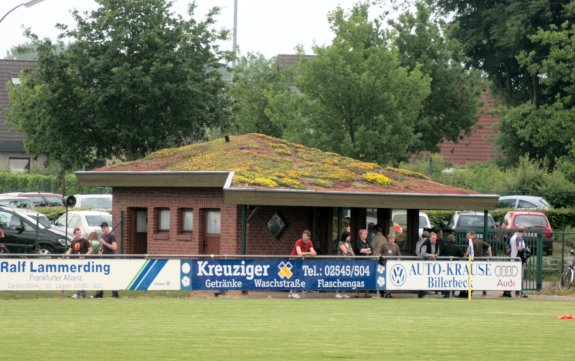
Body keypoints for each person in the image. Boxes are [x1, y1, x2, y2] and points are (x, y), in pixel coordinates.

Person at [93, 222, 119, 299]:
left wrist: (105, 243)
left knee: (112, 277)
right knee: (101, 276)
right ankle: (99, 294)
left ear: (108, 228)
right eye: (102, 228)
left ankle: (115, 294)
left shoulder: (112, 235)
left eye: (104, 228)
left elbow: (114, 247)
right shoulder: (103, 236)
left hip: (111, 259)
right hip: (104, 259)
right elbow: (102, 247)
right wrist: (100, 251)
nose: (103, 229)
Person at [288, 230, 316, 299]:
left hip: (300, 261)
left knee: (298, 276)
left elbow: (313, 252)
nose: (303, 237)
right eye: (303, 236)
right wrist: (309, 253)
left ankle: (293, 292)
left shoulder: (310, 242)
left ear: (308, 237)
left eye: (305, 236)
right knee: (294, 276)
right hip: (293, 260)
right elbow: (299, 253)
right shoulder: (298, 242)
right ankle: (293, 293)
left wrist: (312, 252)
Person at [66, 228, 93, 299]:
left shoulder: (85, 241)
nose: (79, 234)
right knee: (77, 278)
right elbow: (69, 250)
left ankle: (82, 294)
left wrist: (84, 256)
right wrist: (67, 256)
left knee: (83, 278)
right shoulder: (73, 241)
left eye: (79, 233)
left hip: (84, 263)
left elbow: (90, 250)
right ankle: (77, 293)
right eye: (77, 233)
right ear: (74, 234)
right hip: (76, 263)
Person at [503, 227, 527, 298]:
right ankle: (519, 292)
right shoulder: (519, 237)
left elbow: (509, 250)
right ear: (523, 232)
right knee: (519, 276)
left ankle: (508, 292)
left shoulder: (512, 237)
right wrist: (525, 249)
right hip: (517, 260)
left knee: (511, 276)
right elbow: (519, 248)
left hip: (512, 259)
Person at [418, 232, 440, 298]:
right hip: (424, 265)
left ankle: (431, 291)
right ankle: (422, 294)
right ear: (429, 238)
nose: (434, 240)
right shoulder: (425, 244)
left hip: (433, 265)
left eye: (435, 238)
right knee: (423, 279)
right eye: (433, 238)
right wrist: (430, 255)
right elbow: (422, 253)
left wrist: (435, 256)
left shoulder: (437, 244)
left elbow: (438, 253)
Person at [380, 233, 401, 298]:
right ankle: (383, 292)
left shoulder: (396, 246)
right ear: (388, 239)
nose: (392, 240)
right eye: (391, 239)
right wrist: (381, 257)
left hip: (393, 265)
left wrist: (398, 260)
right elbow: (380, 253)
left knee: (390, 279)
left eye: (393, 239)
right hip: (385, 264)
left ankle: (388, 292)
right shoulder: (384, 245)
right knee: (385, 278)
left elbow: (399, 255)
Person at [355, 229, 373, 298]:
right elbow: (359, 250)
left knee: (367, 277)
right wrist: (366, 250)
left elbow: (371, 251)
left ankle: (366, 293)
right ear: (360, 235)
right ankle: (357, 293)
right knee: (359, 277)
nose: (366, 235)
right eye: (364, 233)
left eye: (366, 233)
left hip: (367, 262)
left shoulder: (368, 242)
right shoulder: (358, 242)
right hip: (360, 262)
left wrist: (365, 250)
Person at [336, 231, 354, 299]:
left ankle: (344, 293)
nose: (350, 237)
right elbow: (346, 252)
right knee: (340, 278)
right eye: (348, 236)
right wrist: (348, 250)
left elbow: (352, 253)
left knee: (346, 278)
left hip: (348, 262)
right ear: (345, 236)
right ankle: (338, 293)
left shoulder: (349, 243)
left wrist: (349, 250)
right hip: (341, 263)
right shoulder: (341, 243)